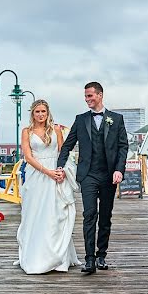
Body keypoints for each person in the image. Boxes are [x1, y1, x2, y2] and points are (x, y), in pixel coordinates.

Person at [55, 82, 128, 275]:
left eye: (90, 96)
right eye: (85, 97)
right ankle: (89, 260)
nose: (87, 100)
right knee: (89, 215)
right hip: (87, 175)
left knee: (105, 216)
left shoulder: (116, 119)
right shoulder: (80, 120)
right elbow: (67, 146)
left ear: (100, 95)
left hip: (109, 175)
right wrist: (60, 166)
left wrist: (119, 169)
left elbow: (123, 147)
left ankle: (101, 255)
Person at [16, 99, 80, 274]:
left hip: (55, 174)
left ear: (48, 112)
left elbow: (62, 152)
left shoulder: (56, 130)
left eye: (43, 111)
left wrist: (61, 171)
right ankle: (36, 255)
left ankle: (58, 256)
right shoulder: (26, 132)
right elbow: (28, 157)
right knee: (36, 213)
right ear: (32, 114)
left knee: (56, 212)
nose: (41, 115)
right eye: (37, 112)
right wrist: (47, 171)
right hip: (37, 175)